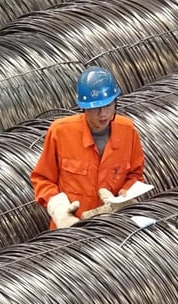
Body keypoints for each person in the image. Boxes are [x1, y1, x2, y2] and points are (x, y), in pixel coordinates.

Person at [31, 66, 145, 229]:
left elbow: (135, 174)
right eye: (95, 108)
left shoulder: (127, 131)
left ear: (115, 102)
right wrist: (59, 210)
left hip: (112, 226)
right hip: (71, 228)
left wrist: (125, 194)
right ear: (83, 107)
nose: (103, 114)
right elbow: (42, 179)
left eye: (108, 105)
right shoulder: (61, 132)